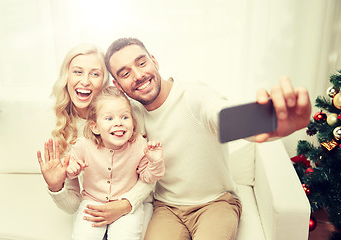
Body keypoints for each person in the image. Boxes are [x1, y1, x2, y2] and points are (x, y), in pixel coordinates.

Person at [102, 37, 312, 240]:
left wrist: (268, 121)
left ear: (154, 61)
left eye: (141, 63)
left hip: (216, 203)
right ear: (118, 85)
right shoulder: (131, 116)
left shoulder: (192, 94)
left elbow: (221, 115)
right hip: (167, 208)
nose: (138, 75)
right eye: (126, 73)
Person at [36, 43, 154, 238]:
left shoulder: (126, 114)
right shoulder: (63, 128)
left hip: (133, 203)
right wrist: (56, 187)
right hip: (95, 204)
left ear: (104, 81)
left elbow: (148, 174)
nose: (85, 81)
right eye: (77, 72)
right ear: (67, 77)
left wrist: (124, 205)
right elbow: (74, 204)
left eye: (94, 74)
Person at [66, 86, 164, 240]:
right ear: (95, 127)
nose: (119, 123)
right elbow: (70, 167)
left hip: (125, 205)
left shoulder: (138, 144)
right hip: (92, 203)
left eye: (125, 117)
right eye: (109, 118)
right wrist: (72, 170)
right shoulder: (83, 145)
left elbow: (148, 178)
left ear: (133, 121)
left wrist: (155, 162)